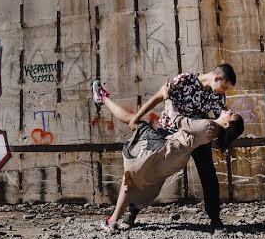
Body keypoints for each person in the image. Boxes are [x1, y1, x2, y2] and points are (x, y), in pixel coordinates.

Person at [91, 79, 243, 234]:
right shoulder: (211, 129)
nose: (227, 110)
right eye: (224, 88)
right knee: (137, 179)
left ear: (226, 125)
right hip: (175, 159)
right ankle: (115, 219)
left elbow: (177, 119)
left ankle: (103, 97)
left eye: (231, 114)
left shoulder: (207, 125)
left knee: (134, 123)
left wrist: (167, 96)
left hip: (168, 149)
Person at [123, 64, 237, 229]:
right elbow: (159, 97)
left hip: (196, 137)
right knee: (154, 173)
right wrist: (136, 117)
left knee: (208, 175)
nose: (223, 91)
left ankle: (215, 219)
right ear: (217, 78)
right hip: (170, 135)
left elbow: (222, 119)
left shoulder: (217, 96)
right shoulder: (184, 80)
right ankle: (132, 212)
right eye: (224, 87)